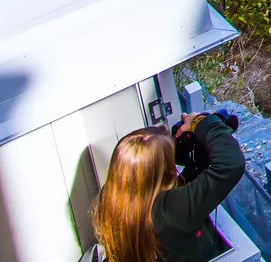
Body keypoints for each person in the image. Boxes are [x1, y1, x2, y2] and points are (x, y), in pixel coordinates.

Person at [93, 112, 245, 262]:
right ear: (163, 172)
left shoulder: (112, 200)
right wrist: (202, 123)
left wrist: (197, 165)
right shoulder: (168, 211)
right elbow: (230, 164)